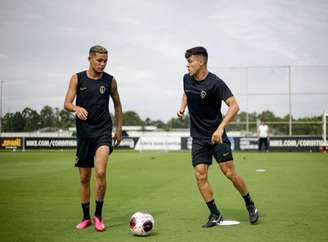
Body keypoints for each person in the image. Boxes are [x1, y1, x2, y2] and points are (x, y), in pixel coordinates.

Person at [177, 46, 259, 228]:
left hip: (217, 136)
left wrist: (220, 128)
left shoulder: (216, 83)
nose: (187, 65)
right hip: (198, 138)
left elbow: (234, 106)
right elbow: (186, 92)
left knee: (229, 172)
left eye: (190, 62)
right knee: (200, 175)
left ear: (201, 62)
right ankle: (215, 214)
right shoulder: (186, 79)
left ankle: (250, 204)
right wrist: (182, 107)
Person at [64, 45, 122, 232]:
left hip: (103, 132)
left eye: (105, 60)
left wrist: (119, 129)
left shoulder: (110, 81)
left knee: (100, 173)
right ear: (89, 58)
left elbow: (118, 106)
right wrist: (76, 108)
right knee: (84, 177)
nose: (102, 64)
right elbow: (67, 103)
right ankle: (85, 217)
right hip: (84, 134)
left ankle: (98, 216)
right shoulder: (77, 78)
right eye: (99, 60)